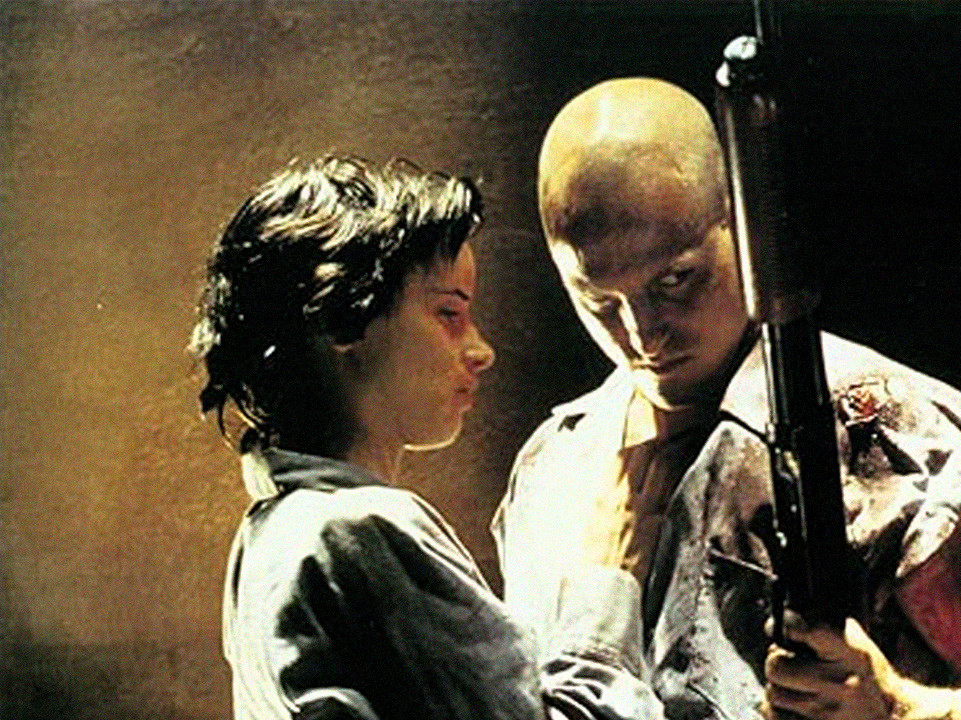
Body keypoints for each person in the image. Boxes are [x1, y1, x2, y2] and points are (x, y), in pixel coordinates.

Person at [494, 78, 961, 720]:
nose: (641, 332)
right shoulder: (552, 470)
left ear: (742, 226)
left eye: (674, 280)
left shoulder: (881, 425)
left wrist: (898, 708)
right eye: (599, 300)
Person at [192, 156, 663, 720]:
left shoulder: (265, 536)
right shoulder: (358, 529)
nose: (481, 351)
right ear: (343, 319)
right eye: (448, 313)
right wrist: (605, 583)